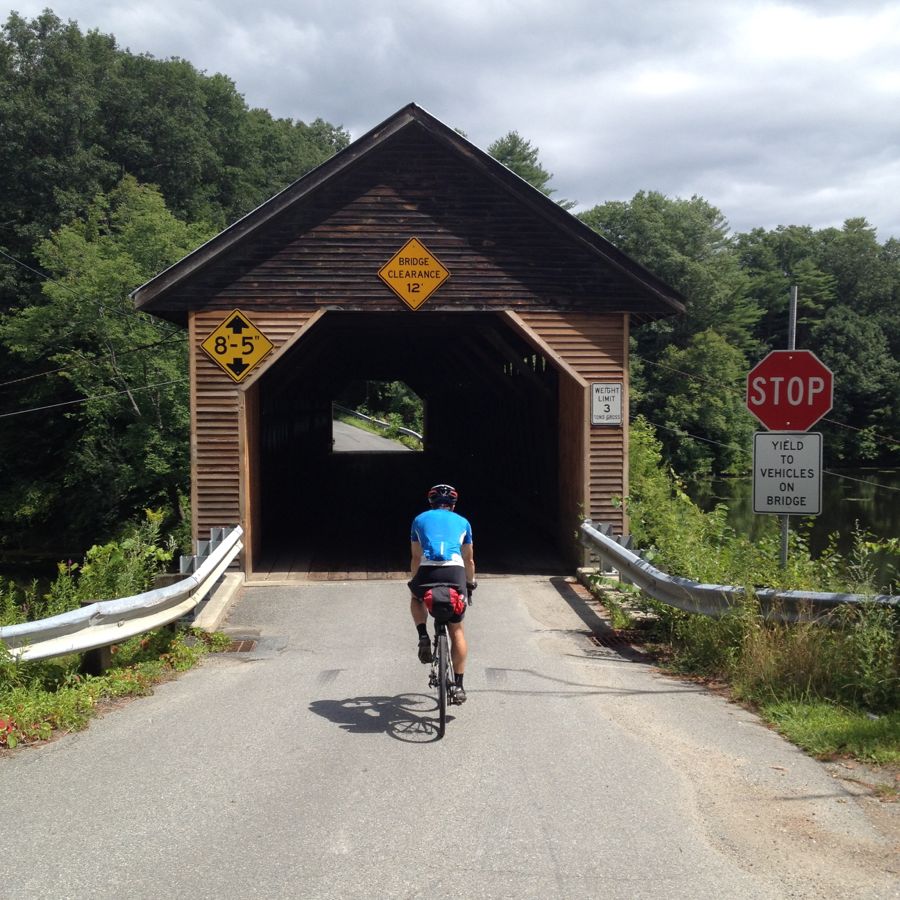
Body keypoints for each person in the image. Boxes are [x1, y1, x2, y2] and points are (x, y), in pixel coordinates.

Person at [408, 483, 476, 704]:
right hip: (455, 573)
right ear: (453, 505)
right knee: (456, 629)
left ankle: (423, 635)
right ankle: (458, 686)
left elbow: (416, 557)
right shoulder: (463, 522)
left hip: (428, 570)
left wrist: (415, 582)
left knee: (416, 597)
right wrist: (470, 583)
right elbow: (469, 559)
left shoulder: (419, 520)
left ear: (431, 502)